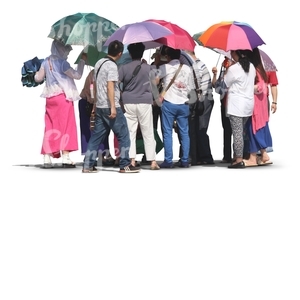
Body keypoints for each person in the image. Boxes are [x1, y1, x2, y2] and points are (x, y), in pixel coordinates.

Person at [82, 40, 140, 173]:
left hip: (100, 105)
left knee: (96, 136)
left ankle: (88, 165)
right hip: (110, 105)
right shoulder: (112, 66)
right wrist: (114, 107)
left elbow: (96, 85)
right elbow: (110, 86)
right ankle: (125, 164)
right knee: (124, 135)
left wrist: (95, 104)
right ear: (120, 54)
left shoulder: (98, 63)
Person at [34, 39, 87, 168]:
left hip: (50, 98)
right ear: (61, 50)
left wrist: (34, 72)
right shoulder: (63, 63)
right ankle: (66, 157)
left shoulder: (46, 62)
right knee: (66, 126)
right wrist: (83, 60)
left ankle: (47, 157)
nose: (67, 53)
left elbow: (38, 78)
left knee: (50, 126)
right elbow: (77, 75)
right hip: (63, 98)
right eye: (66, 50)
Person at [118, 42, 160, 170]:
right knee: (148, 132)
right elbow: (156, 82)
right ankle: (152, 161)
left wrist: (121, 95)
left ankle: (132, 160)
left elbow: (116, 83)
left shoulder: (124, 68)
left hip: (128, 101)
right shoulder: (148, 68)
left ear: (130, 54)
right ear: (142, 52)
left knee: (130, 132)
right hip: (145, 101)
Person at [213, 49, 256, 169]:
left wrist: (223, 74)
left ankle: (238, 159)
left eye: (232, 52)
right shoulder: (251, 66)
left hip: (236, 105)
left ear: (237, 54)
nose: (230, 54)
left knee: (237, 133)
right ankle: (241, 155)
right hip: (248, 104)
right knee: (241, 132)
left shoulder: (234, 69)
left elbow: (222, 87)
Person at [154, 46, 193, 168]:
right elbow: (191, 87)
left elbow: (154, 81)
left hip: (169, 103)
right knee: (184, 133)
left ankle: (168, 160)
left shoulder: (165, 67)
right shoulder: (187, 68)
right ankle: (185, 160)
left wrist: (157, 64)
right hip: (183, 104)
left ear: (168, 56)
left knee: (167, 132)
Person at [179, 50, 215, 166]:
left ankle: (205, 156)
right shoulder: (196, 65)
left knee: (201, 128)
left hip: (203, 100)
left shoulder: (198, 65)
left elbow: (200, 86)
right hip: (200, 99)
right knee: (195, 128)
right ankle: (198, 156)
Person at [243, 48, 273, 166]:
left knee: (253, 128)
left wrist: (247, 87)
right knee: (261, 127)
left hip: (255, 104)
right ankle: (264, 154)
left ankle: (252, 157)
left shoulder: (254, 70)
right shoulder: (261, 69)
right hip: (262, 105)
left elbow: (259, 87)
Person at [78, 69, 115, 166]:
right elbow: (92, 92)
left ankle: (101, 154)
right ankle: (92, 156)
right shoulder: (95, 74)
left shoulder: (101, 73)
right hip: (89, 103)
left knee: (101, 129)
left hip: (96, 103)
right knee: (92, 129)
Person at [212, 56, 233, 163]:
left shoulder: (236, 70)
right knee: (226, 130)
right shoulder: (223, 69)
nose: (225, 61)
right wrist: (215, 74)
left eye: (227, 59)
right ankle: (227, 155)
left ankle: (239, 155)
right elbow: (216, 86)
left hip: (234, 104)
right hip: (224, 103)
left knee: (237, 130)